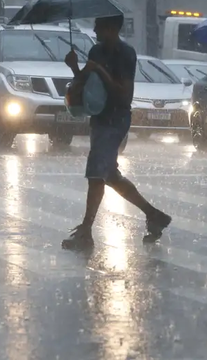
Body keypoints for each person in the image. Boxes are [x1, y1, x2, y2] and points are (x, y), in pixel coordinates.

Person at [62, 15, 172, 250]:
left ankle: (86, 230)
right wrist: (75, 68)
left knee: (95, 174)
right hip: (99, 118)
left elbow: (123, 93)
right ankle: (154, 215)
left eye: (98, 26)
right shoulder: (95, 51)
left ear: (111, 28)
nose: (94, 30)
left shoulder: (126, 54)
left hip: (116, 119)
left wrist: (100, 70)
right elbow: (87, 83)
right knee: (109, 174)